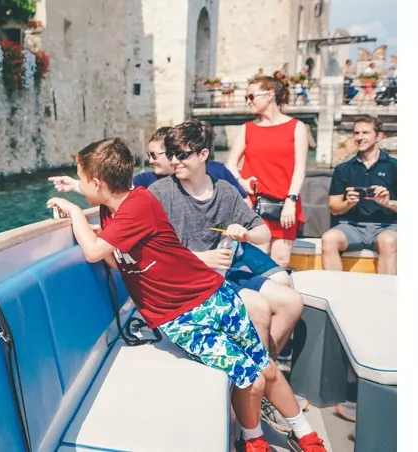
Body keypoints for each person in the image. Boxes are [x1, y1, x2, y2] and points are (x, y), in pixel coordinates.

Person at [46, 137, 326, 452]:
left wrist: (73, 212)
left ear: (97, 182)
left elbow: (95, 252)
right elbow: (113, 258)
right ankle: (254, 440)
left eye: (81, 180)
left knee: (266, 368)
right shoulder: (112, 210)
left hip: (213, 297)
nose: (79, 186)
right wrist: (80, 199)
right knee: (252, 377)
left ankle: (305, 434)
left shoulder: (137, 205)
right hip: (184, 317)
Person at [226, 76, 309, 271]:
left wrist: (291, 200)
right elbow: (230, 164)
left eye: (251, 96)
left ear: (270, 95)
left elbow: (300, 169)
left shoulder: (297, 127)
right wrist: (241, 181)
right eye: (247, 97)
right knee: (255, 259)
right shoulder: (246, 129)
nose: (248, 101)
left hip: (285, 205)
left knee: (281, 260)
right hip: (254, 205)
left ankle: (278, 300)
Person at [49, 127, 248, 199]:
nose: (151, 161)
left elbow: (243, 202)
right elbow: (114, 190)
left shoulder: (216, 172)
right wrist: (75, 185)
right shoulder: (149, 181)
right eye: (149, 155)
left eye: (155, 155)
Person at [321, 116, 397, 275]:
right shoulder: (343, 168)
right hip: (351, 226)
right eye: (356, 133)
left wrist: (387, 202)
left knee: (388, 241)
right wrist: (348, 203)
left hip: (387, 226)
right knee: (329, 239)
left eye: (365, 133)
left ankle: (386, 295)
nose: (360, 137)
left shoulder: (395, 166)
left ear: (379, 136)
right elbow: (334, 207)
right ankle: (334, 294)